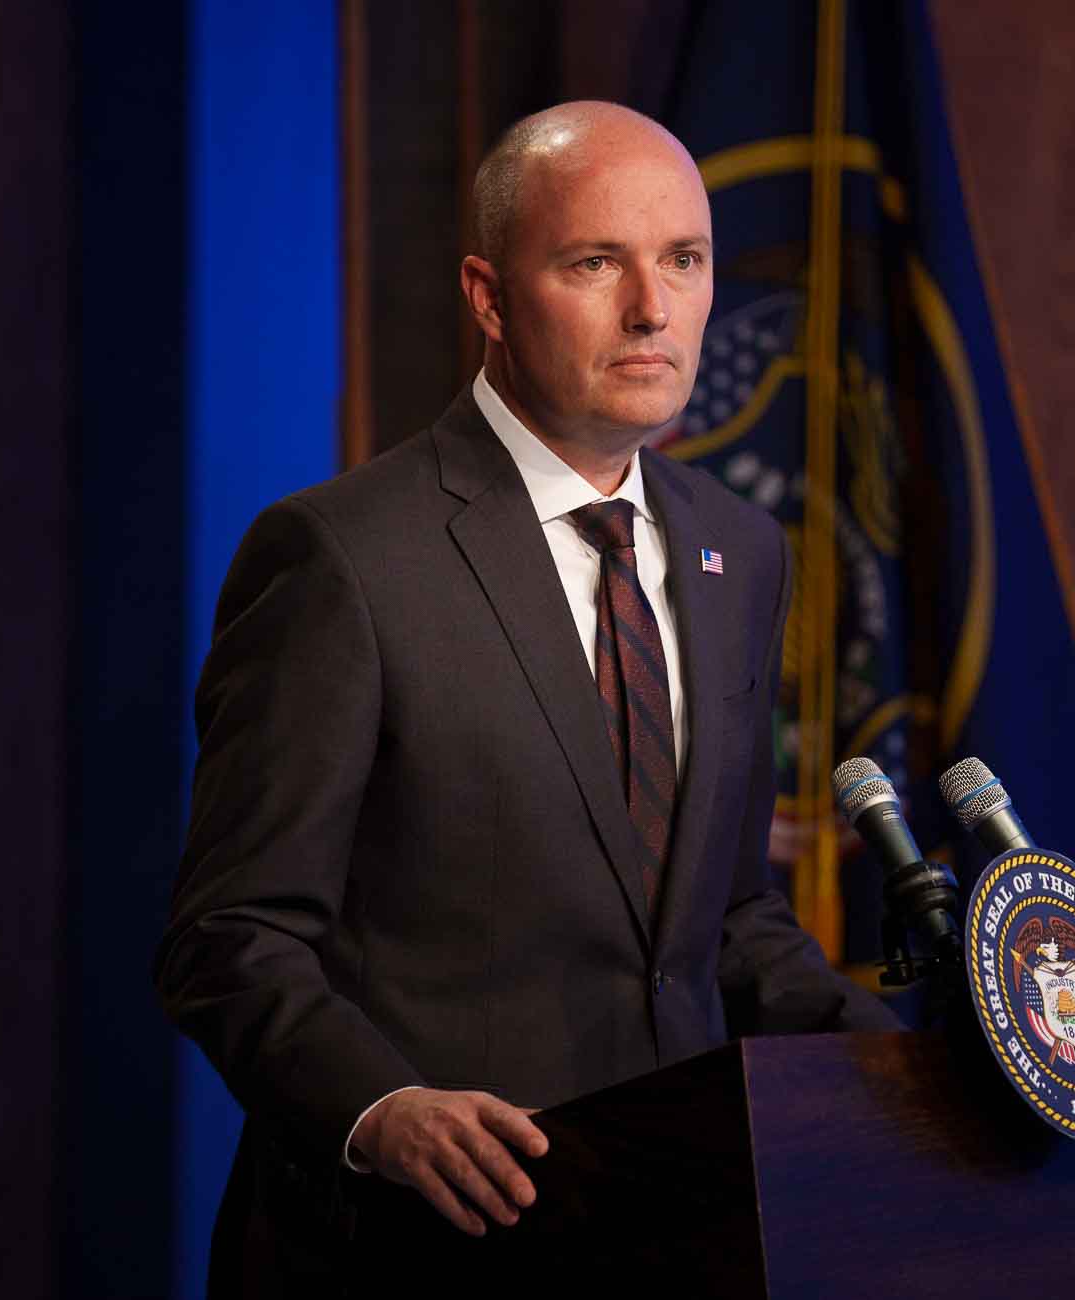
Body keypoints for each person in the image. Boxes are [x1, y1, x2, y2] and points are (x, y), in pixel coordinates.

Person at [154, 100, 899, 1293]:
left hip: (678, 1232)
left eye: (684, 261)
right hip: (410, 1253)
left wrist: (918, 1076)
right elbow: (230, 937)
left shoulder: (740, 550)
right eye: (596, 262)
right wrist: (381, 1106)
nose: (653, 309)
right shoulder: (341, 558)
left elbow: (724, 923)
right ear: (491, 297)